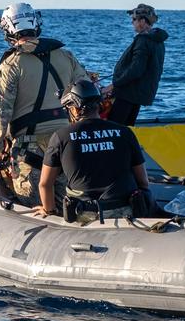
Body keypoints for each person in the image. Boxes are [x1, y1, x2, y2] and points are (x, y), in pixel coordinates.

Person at [0, 2, 90, 202]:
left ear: (8, 29)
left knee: (32, 206)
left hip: (28, 146)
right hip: (66, 142)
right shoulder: (65, 56)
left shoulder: (12, 64)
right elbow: (86, 94)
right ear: (36, 23)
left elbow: (0, 110)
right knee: (70, 203)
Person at [34, 78, 151, 221]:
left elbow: (45, 184)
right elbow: (143, 182)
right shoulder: (125, 132)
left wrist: (49, 210)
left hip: (85, 215)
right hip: (126, 212)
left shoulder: (61, 137)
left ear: (75, 109)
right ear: (98, 105)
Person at [107, 3, 168, 125]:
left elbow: (136, 69)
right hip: (139, 93)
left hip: (128, 94)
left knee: (114, 127)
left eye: (134, 19)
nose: (132, 22)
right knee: (128, 127)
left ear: (142, 21)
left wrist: (114, 85)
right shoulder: (158, 40)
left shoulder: (143, 40)